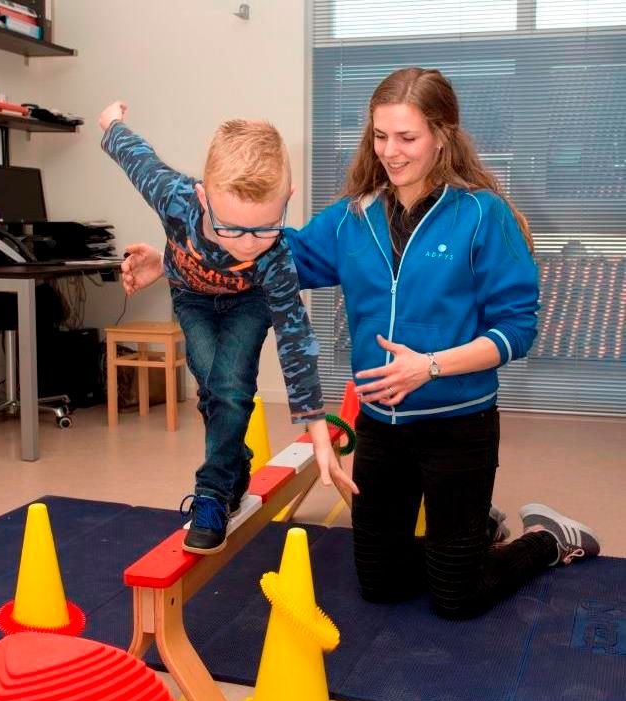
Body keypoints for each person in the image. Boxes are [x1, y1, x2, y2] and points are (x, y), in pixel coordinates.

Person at [119, 67, 601, 617]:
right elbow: (263, 252)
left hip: (458, 426)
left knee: (457, 598)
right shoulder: (353, 218)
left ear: (442, 135)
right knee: (380, 584)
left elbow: (517, 329)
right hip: (381, 428)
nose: (390, 152)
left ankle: (546, 538)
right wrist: (177, 262)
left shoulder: (481, 216)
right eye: (380, 136)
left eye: (407, 137)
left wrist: (430, 366)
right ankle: (469, 532)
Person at [99, 101, 357, 556]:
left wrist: (317, 427)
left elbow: (296, 339)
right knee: (213, 391)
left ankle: (212, 495)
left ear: (287, 198)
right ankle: (236, 467)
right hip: (192, 298)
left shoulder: (275, 259)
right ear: (203, 199)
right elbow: (137, 158)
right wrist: (112, 124)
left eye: (265, 229)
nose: (248, 244)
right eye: (231, 229)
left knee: (230, 389)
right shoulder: (174, 197)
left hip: (248, 304)